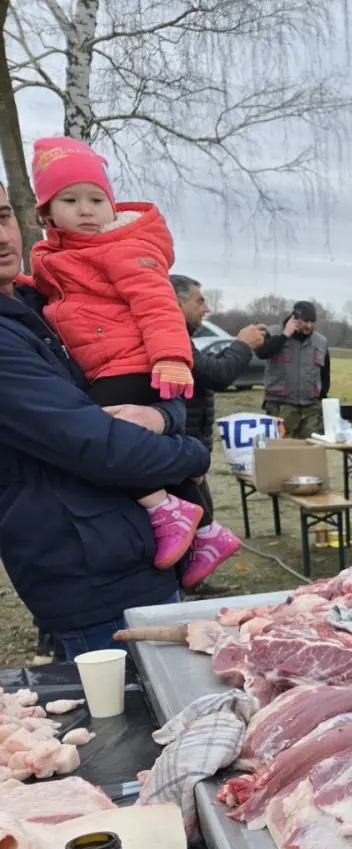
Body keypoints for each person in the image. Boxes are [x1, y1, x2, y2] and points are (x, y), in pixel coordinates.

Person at [0, 179, 211, 660]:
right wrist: (192, 452)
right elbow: (100, 446)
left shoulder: (45, 305)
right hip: (89, 582)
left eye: (3, 216)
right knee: (130, 729)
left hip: (136, 556)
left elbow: (144, 385)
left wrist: (163, 416)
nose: (2, 237)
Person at [27, 136, 241, 589]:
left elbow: (157, 303)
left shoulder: (121, 247)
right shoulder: (56, 258)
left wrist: (171, 357)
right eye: (70, 200)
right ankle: (206, 532)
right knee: (123, 436)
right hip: (105, 364)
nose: (86, 210)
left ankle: (163, 507)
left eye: (96, 199)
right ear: (46, 213)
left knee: (102, 436)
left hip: (132, 363)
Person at [174, 274, 266, 583]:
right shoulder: (171, 336)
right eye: (199, 300)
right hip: (180, 446)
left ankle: (192, 584)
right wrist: (241, 344)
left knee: (200, 517)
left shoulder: (181, 336)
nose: (206, 308)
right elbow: (215, 374)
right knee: (195, 519)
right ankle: (185, 586)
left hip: (189, 445)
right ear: (177, 301)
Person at [259, 299, 330, 439]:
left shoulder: (321, 342)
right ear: (294, 318)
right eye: (305, 321)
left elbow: (325, 375)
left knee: (311, 452)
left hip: (311, 409)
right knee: (280, 453)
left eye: (312, 321)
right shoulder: (273, 333)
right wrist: (285, 335)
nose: (309, 326)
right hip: (280, 406)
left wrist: (321, 398)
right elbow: (262, 353)